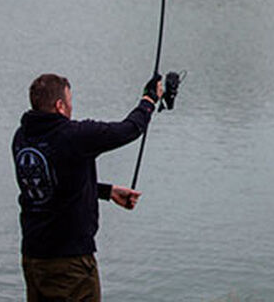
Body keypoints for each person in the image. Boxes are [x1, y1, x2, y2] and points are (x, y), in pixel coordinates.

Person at [12, 72, 162, 302]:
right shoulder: (73, 135)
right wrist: (149, 100)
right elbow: (128, 130)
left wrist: (107, 191)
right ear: (60, 105)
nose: (72, 108)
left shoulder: (22, 137)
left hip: (34, 258)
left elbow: (49, 182)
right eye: (70, 101)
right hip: (69, 263)